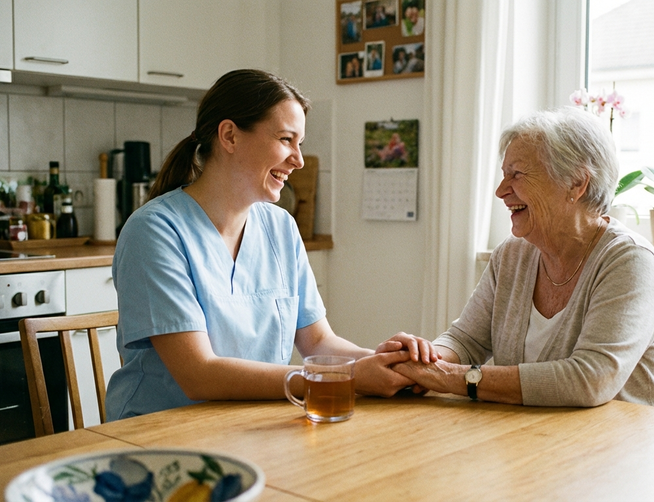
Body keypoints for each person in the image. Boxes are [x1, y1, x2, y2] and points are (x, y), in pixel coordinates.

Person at [106, 69, 435, 421]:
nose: (299, 159)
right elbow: (199, 375)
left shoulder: (280, 228)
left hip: (250, 426)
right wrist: (347, 379)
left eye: (300, 143)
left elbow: (319, 342)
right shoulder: (155, 232)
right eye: (285, 139)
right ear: (229, 135)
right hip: (157, 437)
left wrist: (389, 365)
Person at [392, 107, 654, 410]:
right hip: (537, 438)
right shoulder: (512, 255)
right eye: (504, 175)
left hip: (628, 446)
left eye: (516, 175)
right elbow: (466, 341)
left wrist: (445, 377)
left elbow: (589, 380)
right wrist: (420, 359)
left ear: (576, 183)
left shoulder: (630, 261)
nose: (501, 191)